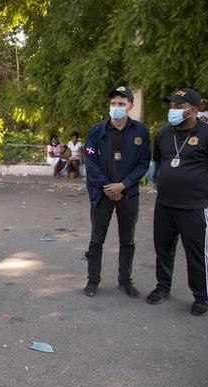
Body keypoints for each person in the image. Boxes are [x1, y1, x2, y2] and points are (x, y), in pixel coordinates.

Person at [146, 88, 208, 316]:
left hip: (194, 206)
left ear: (193, 109)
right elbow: (159, 161)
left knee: (197, 253)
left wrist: (196, 182)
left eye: (179, 106)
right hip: (164, 204)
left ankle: (201, 296)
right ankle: (163, 287)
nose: (172, 110)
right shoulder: (163, 135)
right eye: (171, 106)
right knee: (163, 249)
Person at [83, 86, 150, 298]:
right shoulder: (96, 131)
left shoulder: (140, 132)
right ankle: (93, 280)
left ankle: (125, 281)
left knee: (127, 240)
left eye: (121, 103)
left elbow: (143, 163)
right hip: (101, 194)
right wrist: (108, 187)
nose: (117, 107)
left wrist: (123, 185)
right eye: (113, 103)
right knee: (96, 240)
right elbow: (90, 163)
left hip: (128, 194)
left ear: (130, 105)